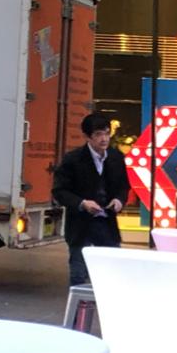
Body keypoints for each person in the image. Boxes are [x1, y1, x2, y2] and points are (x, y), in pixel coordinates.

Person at [52, 113, 130, 285]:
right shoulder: (73, 160)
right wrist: (82, 203)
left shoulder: (116, 157)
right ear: (87, 137)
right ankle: (80, 311)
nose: (104, 139)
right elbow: (59, 191)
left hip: (107, 224)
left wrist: (119, 200)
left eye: (106, 133)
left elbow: (123, 187)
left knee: (112, 274)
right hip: (81, 226)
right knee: (79, 276)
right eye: (98, 134)